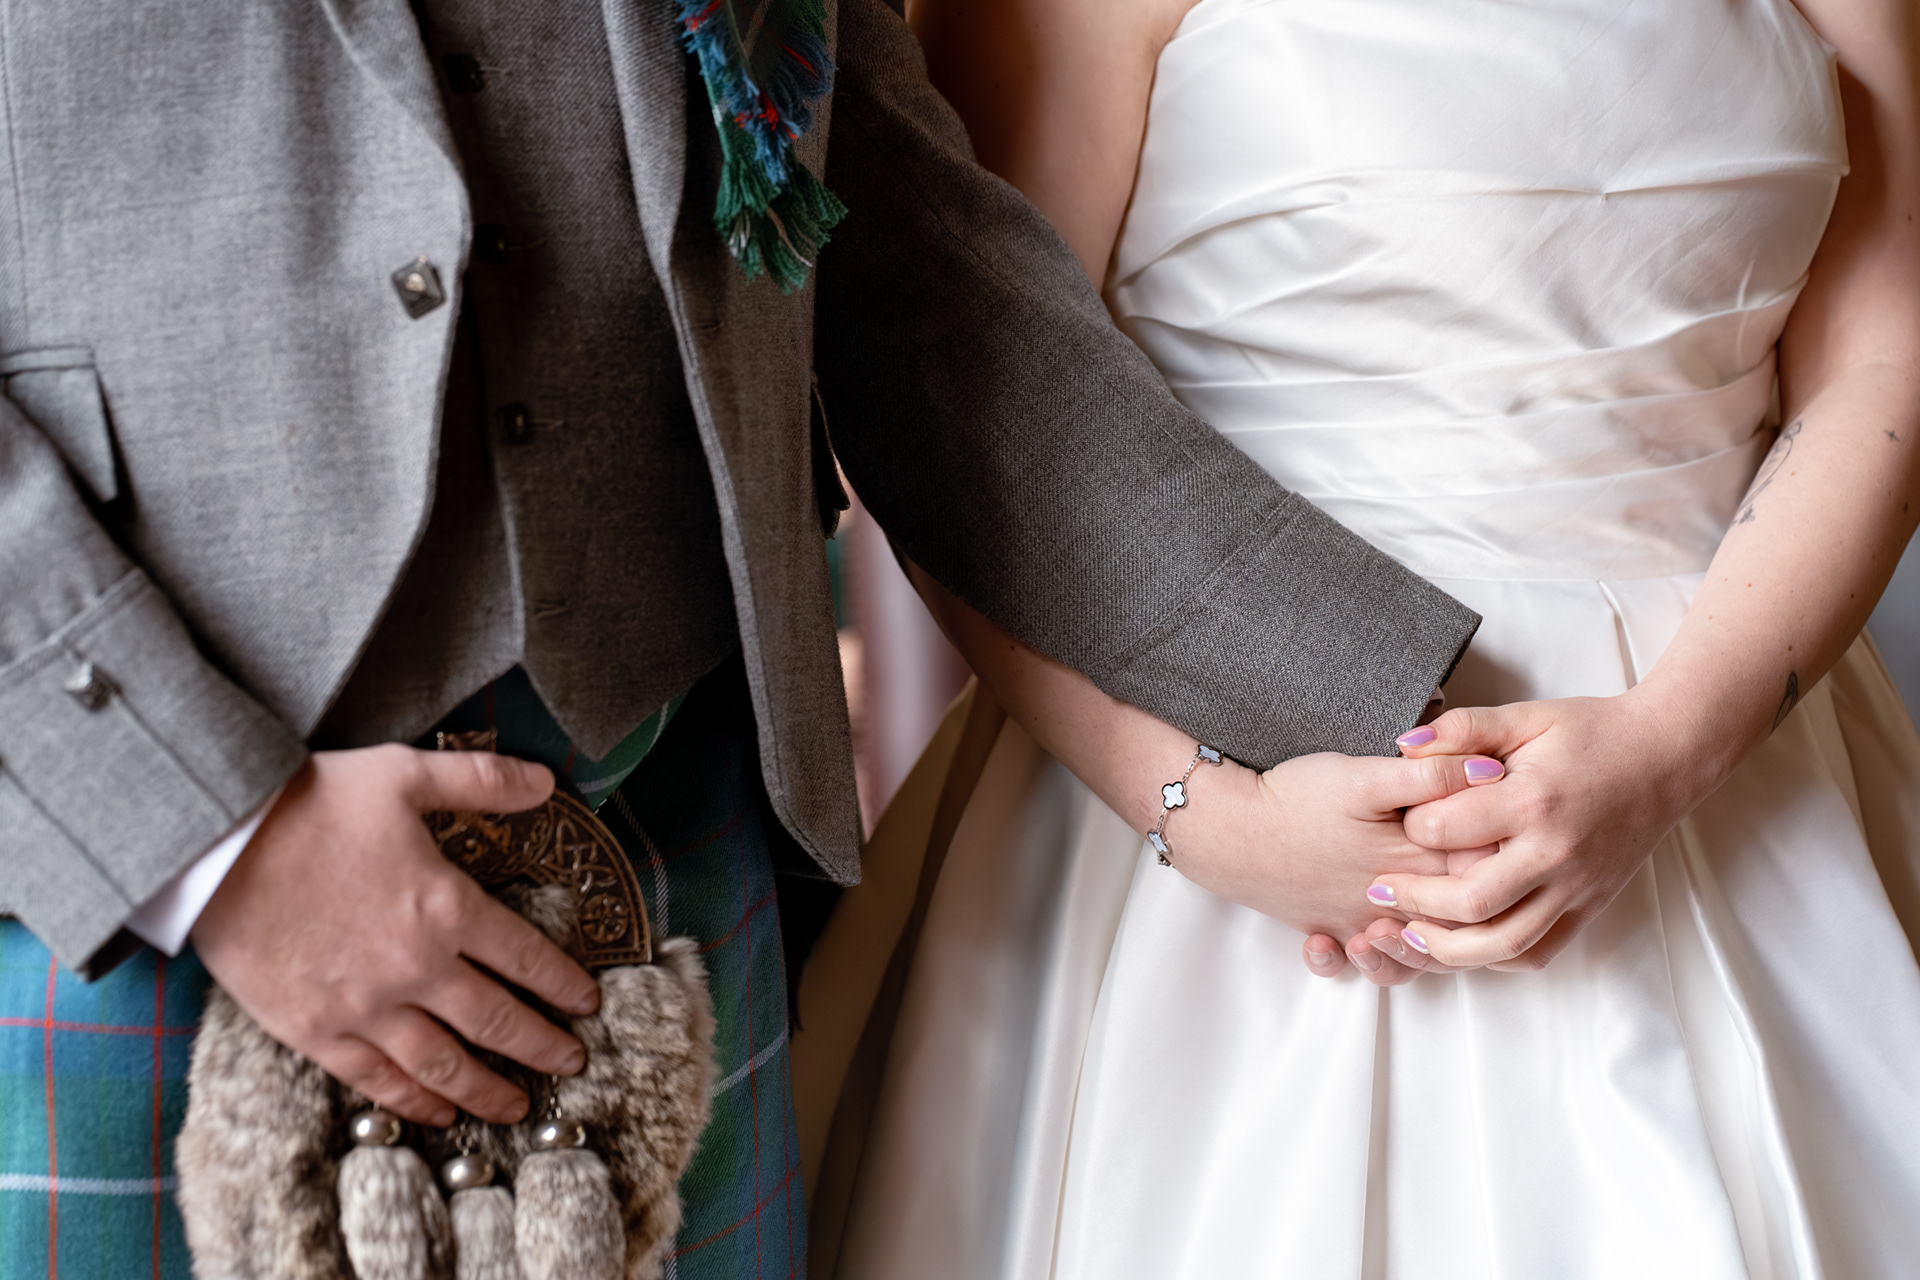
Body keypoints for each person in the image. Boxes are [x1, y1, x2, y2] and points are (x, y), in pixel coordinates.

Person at [0, 1, 1494, 1275]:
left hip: (669, 833)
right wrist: (212, 836)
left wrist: (1420, 730)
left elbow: (918, 285)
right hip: (120, 870)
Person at [821, 0, 1920, 1274]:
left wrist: (1673, 742)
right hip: (1217, 787)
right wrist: (1212, 817)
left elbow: (1882, 356)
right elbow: (974, 413)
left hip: (1734, 749)